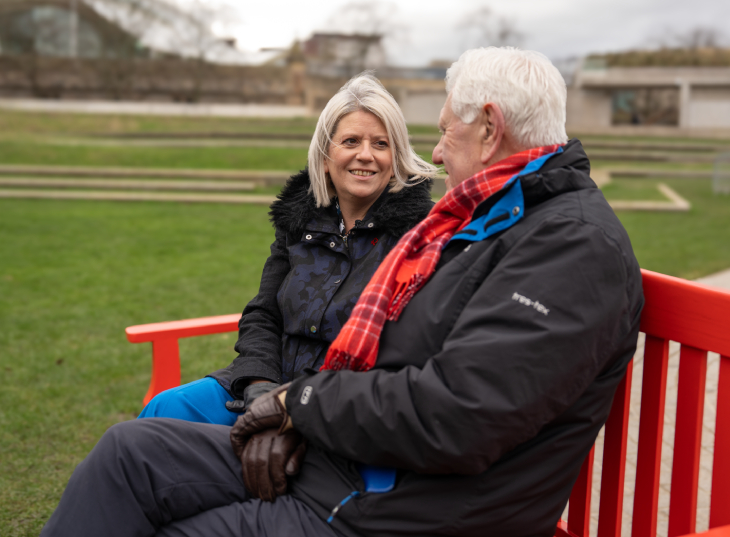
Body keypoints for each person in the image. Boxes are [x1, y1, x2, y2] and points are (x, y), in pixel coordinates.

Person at [42, 47, 644, 537]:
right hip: (348, 456)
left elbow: (461, 415)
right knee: (131, 451)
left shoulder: (570, 247)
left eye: (443, 132)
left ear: (489, 127)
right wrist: (288, 408)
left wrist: (296, 407)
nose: (433, 153)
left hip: (386, 502)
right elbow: (332, 339)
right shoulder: (492, 225)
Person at [138, 73, 437, 425]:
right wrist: (260, 385)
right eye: (351, 141)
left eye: (381, 144)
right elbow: (264, 313)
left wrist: (293, 403)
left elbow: (401, 347)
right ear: (325, 156)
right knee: (165, 411)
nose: (366, 155)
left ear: (397, 157)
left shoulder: (420, 235)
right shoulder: (299, 222)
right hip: (264, 382)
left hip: (338, 404)